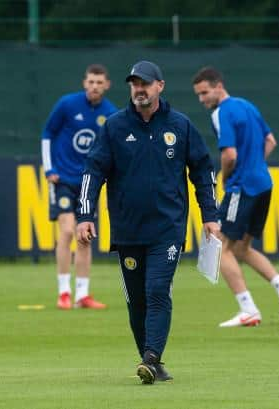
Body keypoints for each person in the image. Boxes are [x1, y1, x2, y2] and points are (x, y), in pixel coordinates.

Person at [76, 61, 219, 384]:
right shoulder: (114, 126)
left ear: (160, 86)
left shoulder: (179, 126)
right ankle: (152, 362)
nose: (140, 89)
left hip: (167, 229)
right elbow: (92, 172)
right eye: (135, 84)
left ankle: (151, 357)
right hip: (127, 230)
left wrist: (210, 216)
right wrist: (85, 215)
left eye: (146, 83)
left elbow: (202, 171)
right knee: (136, 300)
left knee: (157, 291)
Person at [192, 66, 279, 328]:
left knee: (220, 247)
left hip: (242, 187)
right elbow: (271, 140)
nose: (202, 99)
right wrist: (255, 165)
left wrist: (227, 176)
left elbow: (229, 155)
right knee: (242, 248)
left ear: (219, 86)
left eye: (204, 93)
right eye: (198, 95)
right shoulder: (248, 106)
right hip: (263, 183)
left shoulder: (222, 112)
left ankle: (247, 308)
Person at [41, 64, 117, 310]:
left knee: (85, 236)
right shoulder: (67, 104)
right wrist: (49, 168)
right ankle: (64, 292)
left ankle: (82, 295)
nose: (94, 86)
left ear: (107, 85)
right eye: (91, 81)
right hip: (62, 178)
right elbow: (47, 134)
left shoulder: (111, 114)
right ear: (85, 83)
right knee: (66, 231)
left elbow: (113, 149)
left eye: (99, 82)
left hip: (88, 182)